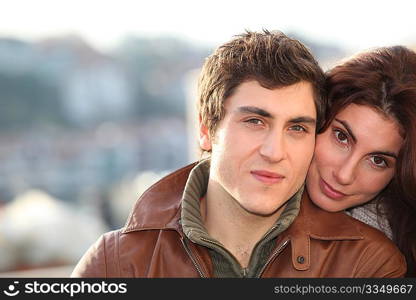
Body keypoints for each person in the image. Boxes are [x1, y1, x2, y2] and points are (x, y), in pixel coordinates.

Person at [71, 30, 405, 278]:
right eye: (255, 122)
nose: (275, 152)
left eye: (297, 128)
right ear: (205, 130)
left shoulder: (367, 265)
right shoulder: (114, 263)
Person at [306, 45, 416, 277]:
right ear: (316, 117)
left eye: (377, 160)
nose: (344, 175)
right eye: (341, 137)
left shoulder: (387, 260)